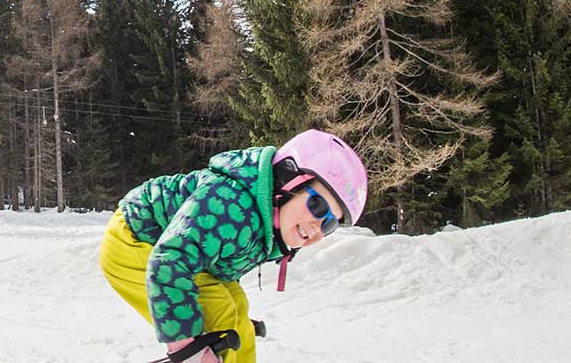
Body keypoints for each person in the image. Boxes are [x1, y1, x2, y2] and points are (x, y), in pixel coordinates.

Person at [100, 129, 369, 363]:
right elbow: (169, 261)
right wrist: (186, 347)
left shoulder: (268, 218)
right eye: (317, 205)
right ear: (287, 179)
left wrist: (239, 326)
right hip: (135, 241)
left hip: (173, 252)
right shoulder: (230, 203)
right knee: (220, 314)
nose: (317, 226)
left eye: (330, 224)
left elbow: (223, 250)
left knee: (236, 311)